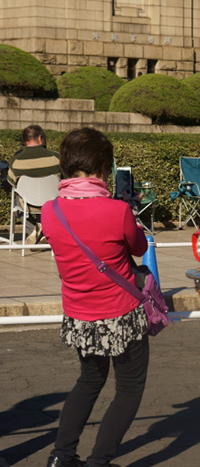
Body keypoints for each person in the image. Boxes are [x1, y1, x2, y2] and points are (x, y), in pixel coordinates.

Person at [42, 128, 149, 467]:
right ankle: (99, 461)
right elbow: (140, 248)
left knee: (89, 380)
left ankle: (61, 455)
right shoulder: (116, 211)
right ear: (103, 168)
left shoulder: (50, 211)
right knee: (129, 388)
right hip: (121, 312)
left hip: (79, 314)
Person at [7, 125, 61, 244]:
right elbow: (65, 180)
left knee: (17, 198)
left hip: (27, 205)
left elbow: (11, 183)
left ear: (24, 141)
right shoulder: (55, 157)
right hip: (52, 204)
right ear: (41, 138)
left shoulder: (16, 161)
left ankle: (34, 230)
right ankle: (44, 231)